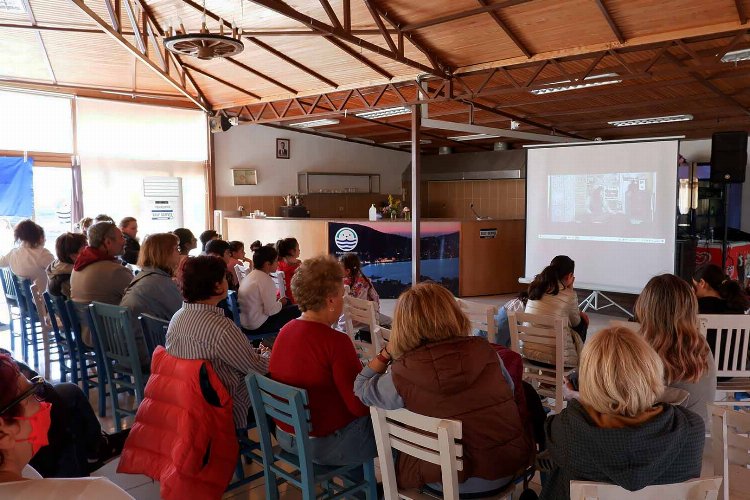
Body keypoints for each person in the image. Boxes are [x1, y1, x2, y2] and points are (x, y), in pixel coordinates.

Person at [355, 282, 533, 495]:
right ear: (453, 314)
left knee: (396, 436)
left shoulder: (404, 371)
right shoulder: (487, 352)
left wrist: (386, 354)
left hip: (449, 483)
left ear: (404, 325)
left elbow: (361, 388)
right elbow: (511, 392)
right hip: (504, 469)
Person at [540, 327, 704, 500]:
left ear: (589, 380)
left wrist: (578, 398)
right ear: (652, 370)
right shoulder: (692, 428)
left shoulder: (566, 430)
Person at [269, 255, 377, 479]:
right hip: (321, 445)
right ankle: (367, 490)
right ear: (330, 300)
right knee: (390, 426)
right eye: (342, 295)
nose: (343, 300)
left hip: (285, 435)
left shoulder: (285, 331)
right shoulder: (335, 342)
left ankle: (356, 488)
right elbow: (359, 407)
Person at [0, 354, 132, 497]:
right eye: (32, 394)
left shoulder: (26, 471)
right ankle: (97, 449)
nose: (44, 404)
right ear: (4, 432)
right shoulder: (96, 493)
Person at [166, 256, 270, 429]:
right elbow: (258, 369)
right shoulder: (221, 327)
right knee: (276, 381)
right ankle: (290, 445)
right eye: (225, 278)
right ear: (217, 285)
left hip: (188, 402)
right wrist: (268, 354)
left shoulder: (178, 317)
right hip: (223, 407)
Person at [634, 274, 716, 426]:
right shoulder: (700, 345)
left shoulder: (646, 351)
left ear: (645, 307)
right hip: (697, 437)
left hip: (662, 440)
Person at [120, 233, 183, 367]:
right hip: (147, 354)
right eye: (176, 249)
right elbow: (184, 319)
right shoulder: (160, 282)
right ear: (164, 253)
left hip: (127, 350)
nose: (179, 253)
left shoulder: (145, 276)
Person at [70, 222, 133, 345]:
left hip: (88, 334)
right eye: (121, 237)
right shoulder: (114, 271)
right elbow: (140, 297)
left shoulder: (78, 266)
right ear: (108, 242)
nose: (125, 241)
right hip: (111, 338)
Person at [523, 255, 587, 367]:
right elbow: (576, 322)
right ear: (570, 276)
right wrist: (570, 290)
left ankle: (545, 382)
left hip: (528, 353)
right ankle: (578, 364)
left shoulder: (535, 288)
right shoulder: (569, 295)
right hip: (557, 359)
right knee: (584, 320)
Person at [238, 245, 300, 336]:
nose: (277, 264)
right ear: (267, 264)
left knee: (288, 303)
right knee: (299, 309)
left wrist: (280, 303)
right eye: (275, 261)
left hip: (246, 324)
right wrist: (280, 303)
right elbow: (270, 311)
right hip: (258, 326)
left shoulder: (251, 276)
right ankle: (293, 338)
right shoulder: (265, 280)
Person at [0, 219, 55, 291]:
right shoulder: (42, 253)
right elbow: (57, 271)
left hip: (23, 299)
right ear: (36, 234)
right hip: (42, 299)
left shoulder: (13, 253)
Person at [46, 232, 87, 299]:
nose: (89, 251)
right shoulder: (69, 278)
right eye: (85, 248)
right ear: (73, 256)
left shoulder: (55, 267)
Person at [275, 238, 300, 303]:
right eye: (298, 248)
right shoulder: (297, 265)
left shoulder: (278, 263)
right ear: (292, 251)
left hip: (279, 297)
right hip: (291, 299)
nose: (299, 250)